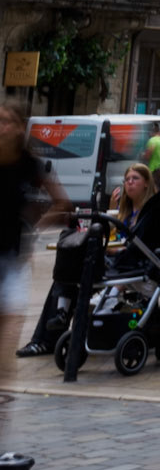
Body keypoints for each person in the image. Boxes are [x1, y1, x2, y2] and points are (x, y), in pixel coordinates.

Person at [0, 101, 67, 372]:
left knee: (10, 328)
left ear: (19, 129)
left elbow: (62, 203)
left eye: (8, 122)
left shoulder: (30, 165)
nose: (2, 127)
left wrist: (34, 224)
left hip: (14, 257)